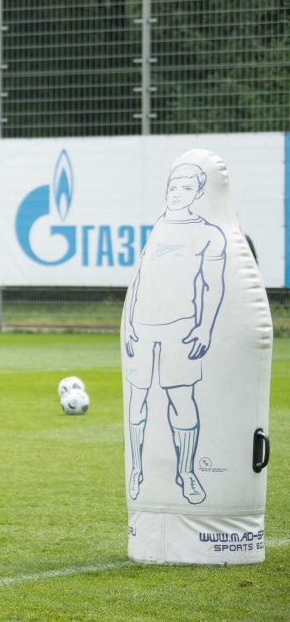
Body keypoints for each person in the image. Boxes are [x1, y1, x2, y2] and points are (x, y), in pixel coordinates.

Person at [123, 162, 226, 505]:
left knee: (181, 399)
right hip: (142, 329)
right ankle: (137, 470)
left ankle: (187, 473)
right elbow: (139, 278)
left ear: (197, 193)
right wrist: (130, 325)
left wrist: (205, 328)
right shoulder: (157, 228)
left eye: (185, 187)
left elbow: (213, 286)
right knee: (137, 398)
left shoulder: (210, 234)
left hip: (181, 330)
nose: (176, 192)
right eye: (173, 185)